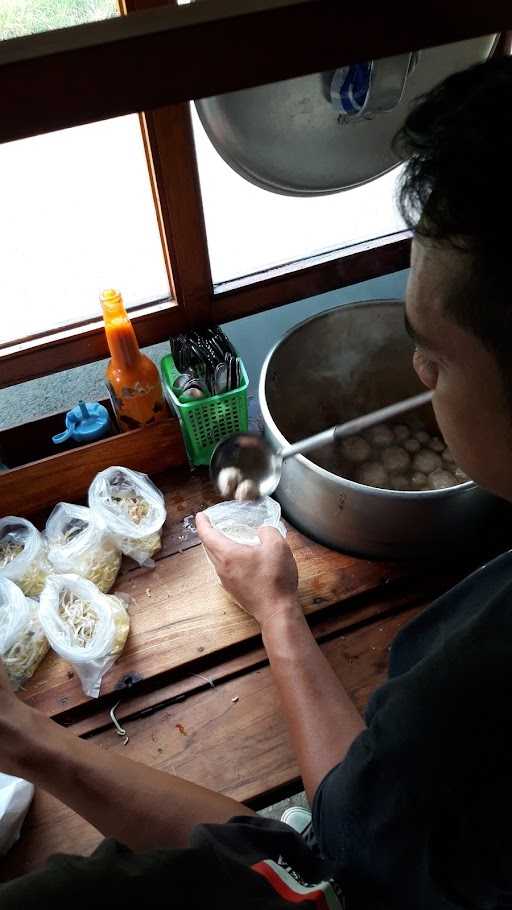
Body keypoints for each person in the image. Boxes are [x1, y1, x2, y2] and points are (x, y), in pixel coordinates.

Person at [1, 54, 512, 908]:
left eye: (437, 354)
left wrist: (279, 609)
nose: (418, 370)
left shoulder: (468, 699)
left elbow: (336, 844)